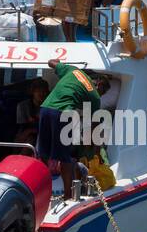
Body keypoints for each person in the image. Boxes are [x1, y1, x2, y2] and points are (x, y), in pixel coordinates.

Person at [37, 56, 109, 199]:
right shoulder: (94, 96)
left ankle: (40, 191)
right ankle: (68, 196)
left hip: (45, 109)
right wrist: (97, 154)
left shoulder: (73, 70)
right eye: (103, 92)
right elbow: (93, 132)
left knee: (43, 154)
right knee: (64, 157)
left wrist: (58, 59)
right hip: (63, 113)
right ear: (99, 85)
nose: (102, 95)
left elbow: (51, 62)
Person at [14, 78, 50, 144]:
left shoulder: (49, 107)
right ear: (33, 92)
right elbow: (22, 127)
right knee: (30, 139)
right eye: (38, 91)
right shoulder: (22, 106)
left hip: (44, 134)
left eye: (44, 91)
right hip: (26, 134)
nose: (41, 93)